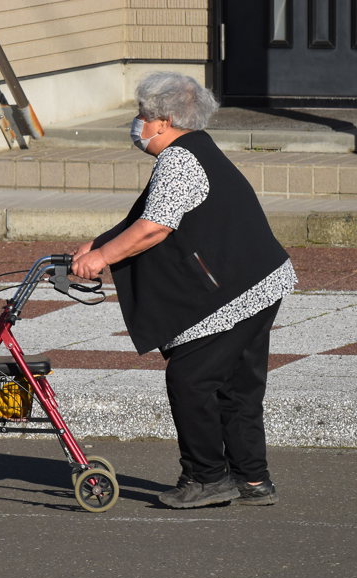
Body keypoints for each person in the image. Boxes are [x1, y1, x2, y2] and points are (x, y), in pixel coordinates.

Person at [71, 71, 297, 509]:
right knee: (236, 386)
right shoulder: (198, 150)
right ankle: (252, 479)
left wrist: (101, 258)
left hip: (233, 292)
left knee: (190, 379)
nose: (138, 124)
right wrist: (99, 244)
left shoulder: (178, 159)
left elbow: (154, 228)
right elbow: (150, 217)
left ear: (165, 120)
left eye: (143, 115)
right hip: (261, 281)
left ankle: (208, 477)